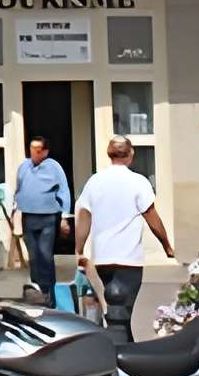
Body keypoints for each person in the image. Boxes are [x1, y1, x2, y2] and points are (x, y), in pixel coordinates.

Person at [73, 137, 172, 343]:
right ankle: (119, 352)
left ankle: (125, 350)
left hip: (103, 259)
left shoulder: (95, 181)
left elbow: (84, 216)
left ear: (109, 154)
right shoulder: (138, 182)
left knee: (117, 313)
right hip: (129, 259)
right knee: (121, 313)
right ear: (131, 154)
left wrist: (79, 248)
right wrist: (167, 246)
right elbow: (152, 217)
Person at [12, 135, 73, 302]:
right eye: (32, 149)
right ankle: (36, 290)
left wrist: (64, 216)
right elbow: (19, 189)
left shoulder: (54, 167)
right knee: (33, 256)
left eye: (38, 150)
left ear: (45, 151)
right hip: (28, 216)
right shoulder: (24, 166)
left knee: (45, 254)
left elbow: (64, 190)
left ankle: (48, 292)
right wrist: (15, 209)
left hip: (48, 216)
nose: (34, 153)